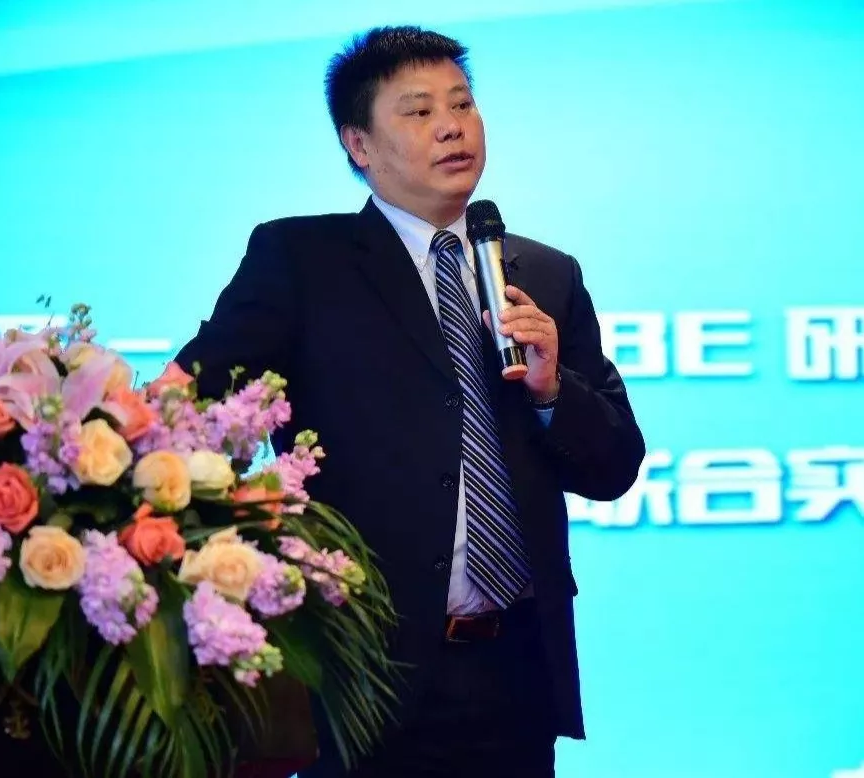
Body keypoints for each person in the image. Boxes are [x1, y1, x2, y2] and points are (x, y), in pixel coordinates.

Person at [174, 25, 645, 778]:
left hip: (517, 672)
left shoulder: (545, 274)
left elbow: (613, 468)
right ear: (359, 144)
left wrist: (554, 389)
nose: (452, 126)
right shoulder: (304, 262)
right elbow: (186, 407)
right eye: (419, 111)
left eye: (462, 104)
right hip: (363, 677)